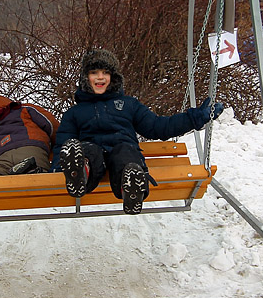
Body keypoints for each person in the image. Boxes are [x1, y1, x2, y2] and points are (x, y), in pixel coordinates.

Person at [52, 48, 224, 215]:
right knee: (88, 150)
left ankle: (131, 187)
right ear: (86, 78)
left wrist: (193, 119)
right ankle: (79, 172)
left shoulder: (129, 105)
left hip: (123, 150)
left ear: (113, 77)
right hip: (92, 156)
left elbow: (158, 126)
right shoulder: (74, 113)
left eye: (105, 72)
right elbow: (64, 143)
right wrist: (60, 168)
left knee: (125, 153)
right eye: (94, 72)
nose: (100, 77)